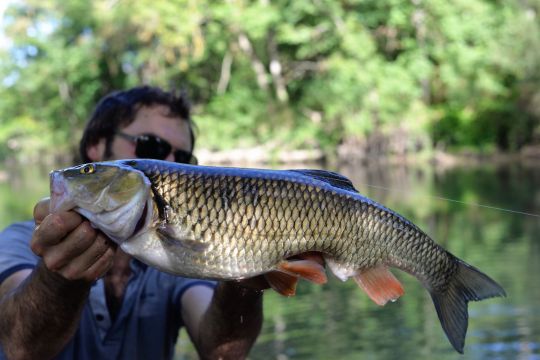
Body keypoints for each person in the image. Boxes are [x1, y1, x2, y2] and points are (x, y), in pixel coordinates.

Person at [0, 86, 272, 360]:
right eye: (151, 147)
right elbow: (19, 348)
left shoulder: (179, 250)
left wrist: (244, 276)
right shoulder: (18, 241)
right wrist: (57, 279)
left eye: (183, 160)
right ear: (96, 145)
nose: (168, 164)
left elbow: (223, 353)